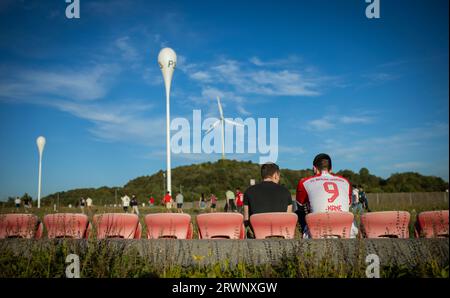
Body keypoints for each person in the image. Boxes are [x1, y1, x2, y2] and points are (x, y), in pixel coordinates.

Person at [296, 153, 358, 238]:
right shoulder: (345, 182)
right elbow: (348, 205)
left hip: (317, 232)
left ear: (314, 168)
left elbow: (300, 206)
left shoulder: (304, 182)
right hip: (346, 232)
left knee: (299, 213)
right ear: (331, 169)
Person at [243, 162, 293, 237]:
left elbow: (246, 219)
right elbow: (288, 219)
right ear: (276, 175)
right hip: (280, 235)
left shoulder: (248, 191)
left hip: (257, 235)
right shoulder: (286, 192)